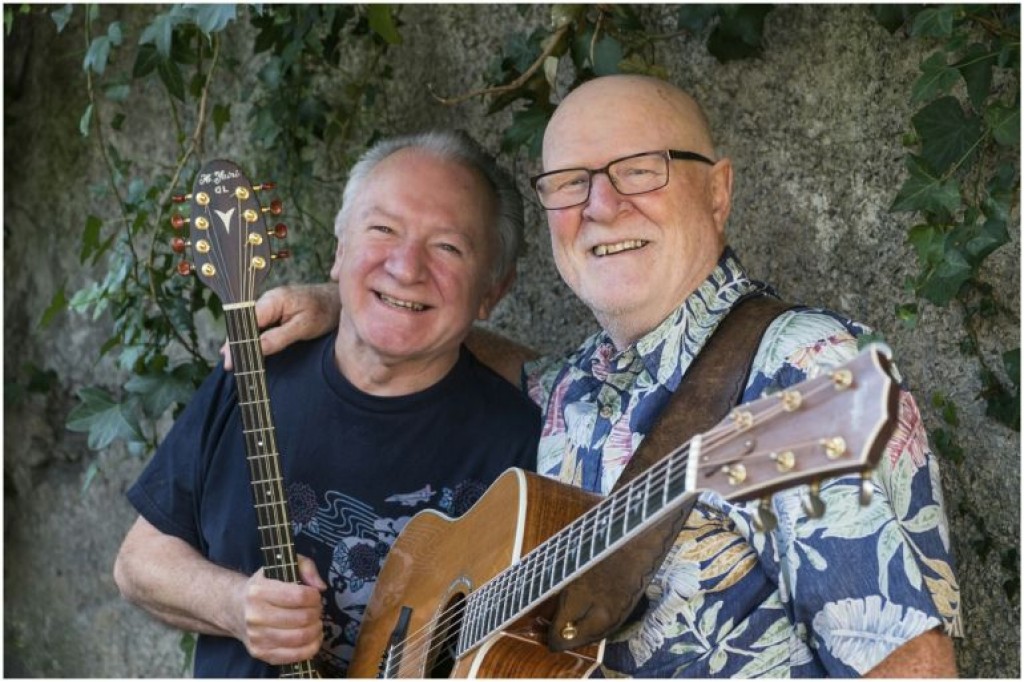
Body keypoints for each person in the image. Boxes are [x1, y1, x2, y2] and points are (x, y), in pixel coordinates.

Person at [246, 75, 961, 677]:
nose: (601, 205)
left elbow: (907, 661)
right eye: (569, 182)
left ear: (718, 191)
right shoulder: (576, 387)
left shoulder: (801, 369)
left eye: (641, 169)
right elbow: (483, 351)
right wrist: (353, 302)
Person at [112, 130, 542, 677]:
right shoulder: (255, 369)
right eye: (383, 229)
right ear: (339, 252)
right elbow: (139, 563)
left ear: (492, 291)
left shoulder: (530, 444)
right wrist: (236, 604)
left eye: (448, 247)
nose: (406, 267)